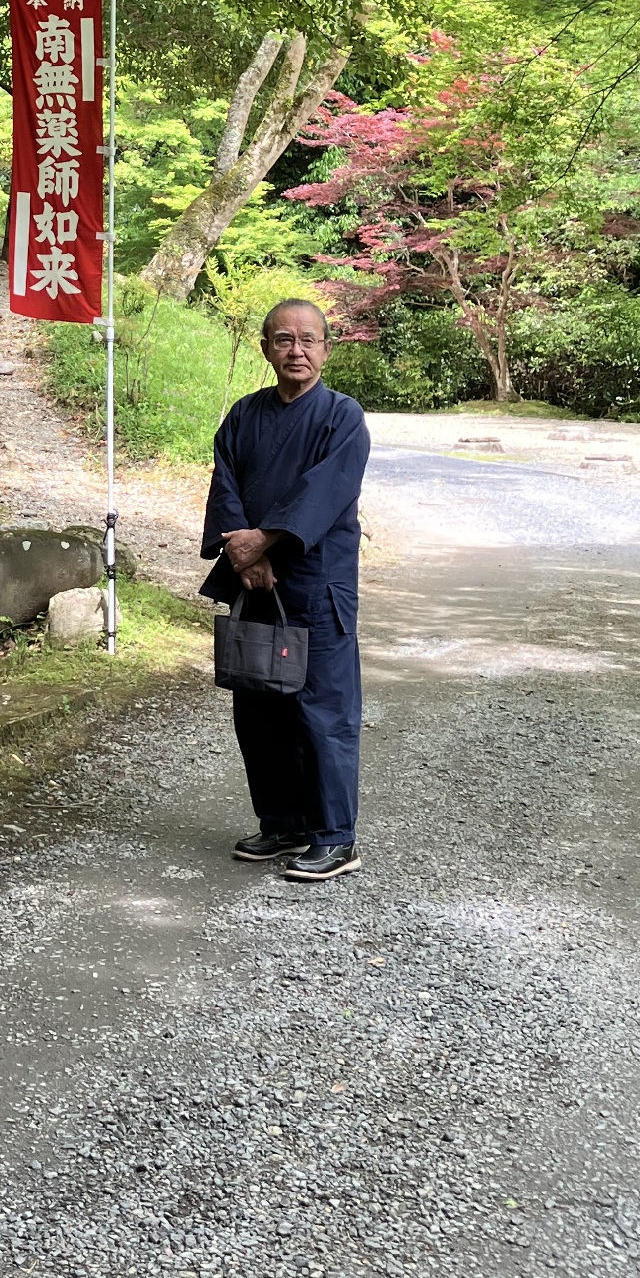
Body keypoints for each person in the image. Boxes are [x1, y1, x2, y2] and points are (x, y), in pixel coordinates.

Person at [200, 299, 370, 881]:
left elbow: (326, 491)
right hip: (254, 579)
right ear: (266, 348)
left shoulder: (342, 417)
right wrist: (242, 554)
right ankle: (282, 823)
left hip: (316, 583)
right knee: (259, 706)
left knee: (322, 711)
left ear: (326, 349)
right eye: (283, 340)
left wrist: (265, 543)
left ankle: (334, 837)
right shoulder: (245, 415)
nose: (296, 350)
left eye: (308, 340)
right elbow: (225, 482)